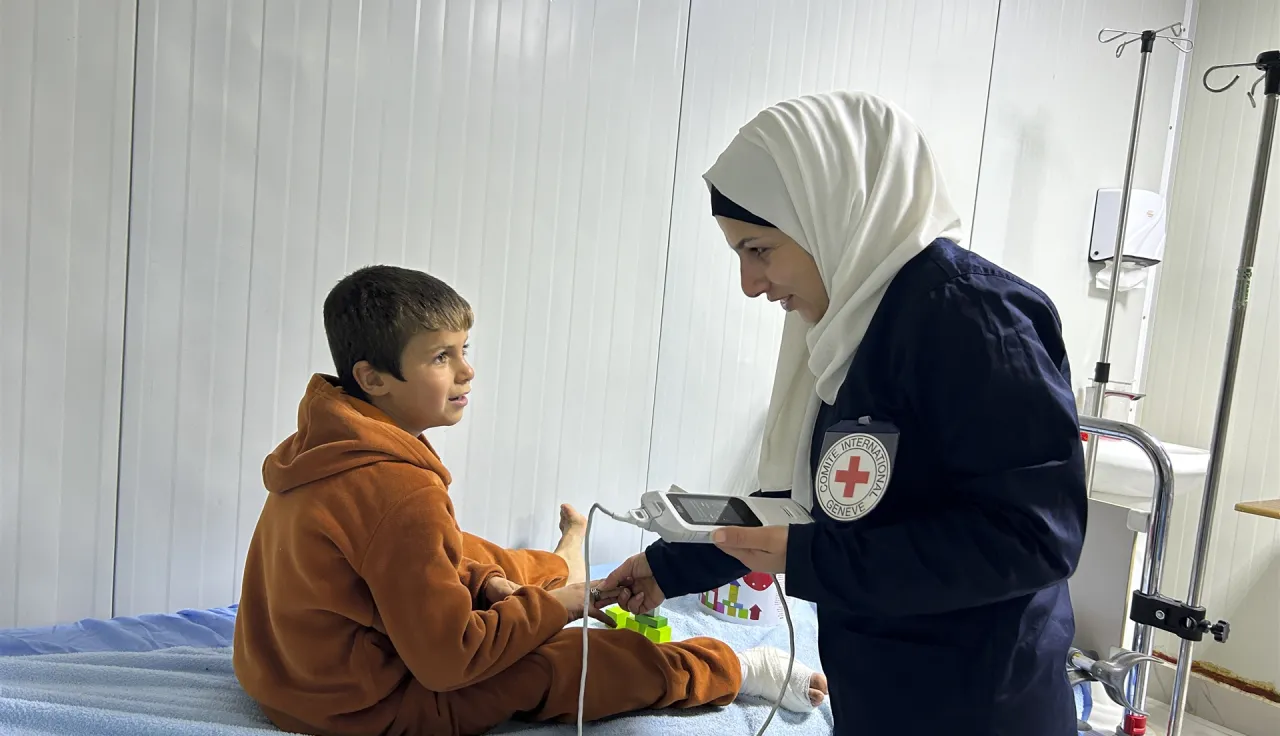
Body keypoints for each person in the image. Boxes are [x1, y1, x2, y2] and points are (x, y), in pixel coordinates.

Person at [605, 91, 1088, 736]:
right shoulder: (845, 328)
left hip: (974, 698)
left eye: (759, 250)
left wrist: (812, 560)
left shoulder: (972, 319)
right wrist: (669, 567)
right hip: (879, 685)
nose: (751, 284)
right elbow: (822, 503)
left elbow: (1033, 538)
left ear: (826, 215)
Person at [232, 265, 827, 736]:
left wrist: (491, 587)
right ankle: (734, 668)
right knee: (568, 660)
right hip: (363, 710)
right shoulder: (400, 490)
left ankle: (563, 560)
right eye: (442, 357)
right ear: (373, 378)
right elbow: (448, 665)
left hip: (283, 681)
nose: (467, 371)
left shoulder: (320, 445)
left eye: (465, 348)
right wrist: (564, 609)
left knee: (473, 558)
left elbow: (395, 563)